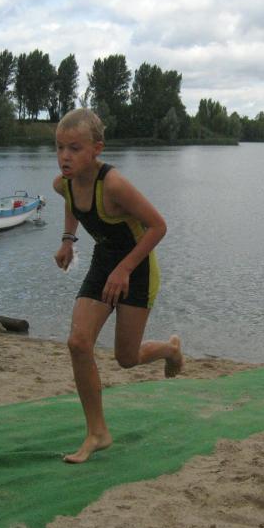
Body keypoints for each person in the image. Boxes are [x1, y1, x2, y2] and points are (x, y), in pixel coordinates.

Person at [53, 108, 183, 464]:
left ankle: (170, 349)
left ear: (97, 149)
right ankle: (97, 432)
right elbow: (71, 203)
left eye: (75, 148)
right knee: (78, 342)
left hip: (137, 267)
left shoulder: (112, 185)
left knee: (126, 358)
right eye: (60, 147)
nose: (65, 156)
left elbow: (158, 226)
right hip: (104, 261)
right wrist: (67, 240)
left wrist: (124, 269)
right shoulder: (62, 183)